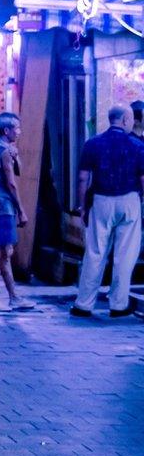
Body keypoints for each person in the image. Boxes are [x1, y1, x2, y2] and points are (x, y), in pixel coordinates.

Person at [71, 104, 144, 318]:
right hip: (129, 200)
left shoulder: (92, 144)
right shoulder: (137, 145)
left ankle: (84, 304)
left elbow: (83, 177)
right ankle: (118, 305)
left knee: (94, 252)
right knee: (125, 255)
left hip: (101, 201)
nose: (133, 123)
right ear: (124, 120)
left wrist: (82, 206)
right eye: (131, 119)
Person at [0, 112, 35, 313]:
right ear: (7, 130)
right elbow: (11, 182)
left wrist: (15, 153)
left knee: (5, 252)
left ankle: (13, 297)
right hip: (2, 207)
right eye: (16, 128)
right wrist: (21, 210)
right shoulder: (3, 151)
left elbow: (17, 168)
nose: (19, 132)